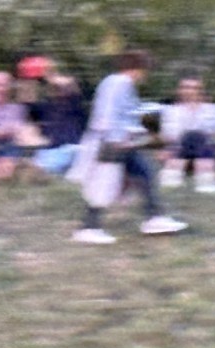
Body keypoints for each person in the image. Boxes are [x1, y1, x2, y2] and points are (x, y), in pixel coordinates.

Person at [67, 49, 188, 245]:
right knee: (102, 185)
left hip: (120, 142)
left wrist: (161, 109)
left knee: (144, 173)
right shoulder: (119, 83)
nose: (146, 75)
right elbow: (108, 114)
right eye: (145, 70)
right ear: (138, 69)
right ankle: (88, 228)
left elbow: (131, 111)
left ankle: (154, 217)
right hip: (110, 143)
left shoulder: (120, 83)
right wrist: (115, 139)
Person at [159, 77, 215, 193]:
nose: (189, 91)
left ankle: (173, 174)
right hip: (180, 149)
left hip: (206, 149)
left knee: (196, 136)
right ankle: (205, 178)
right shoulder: (170, 111)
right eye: (185, 87)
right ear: (179, 90)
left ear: (201, 91)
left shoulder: (214, 109)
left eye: (194, 88)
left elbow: (214, 133)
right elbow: (169, 135)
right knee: (191, 136)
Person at [29, 68, 87, 176]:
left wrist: (53, 78)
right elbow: (29, 103)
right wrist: (31, 79)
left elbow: (73, 89)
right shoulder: (44, 106)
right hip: (49, 151)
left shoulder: (74, 105)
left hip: (71, 148)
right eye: (56, 88)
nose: (58, 89)